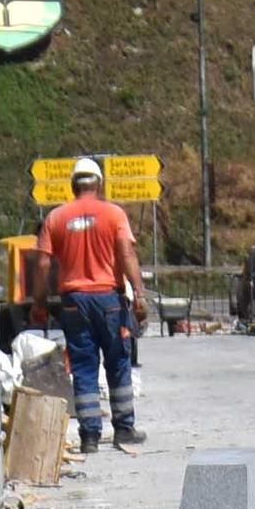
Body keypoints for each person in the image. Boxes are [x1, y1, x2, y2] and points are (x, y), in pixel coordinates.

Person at [43, 157, 149, 452]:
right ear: (99, 184)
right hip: (109, 301)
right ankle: (123, 430)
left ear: (72, 185)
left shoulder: (56, 218)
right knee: (117, 363)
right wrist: (139, 294)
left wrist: (39, 303)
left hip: (74, 302)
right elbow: (127, 255)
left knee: (84, 366)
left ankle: (90, 437)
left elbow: (42, 263)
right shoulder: (113, 214)